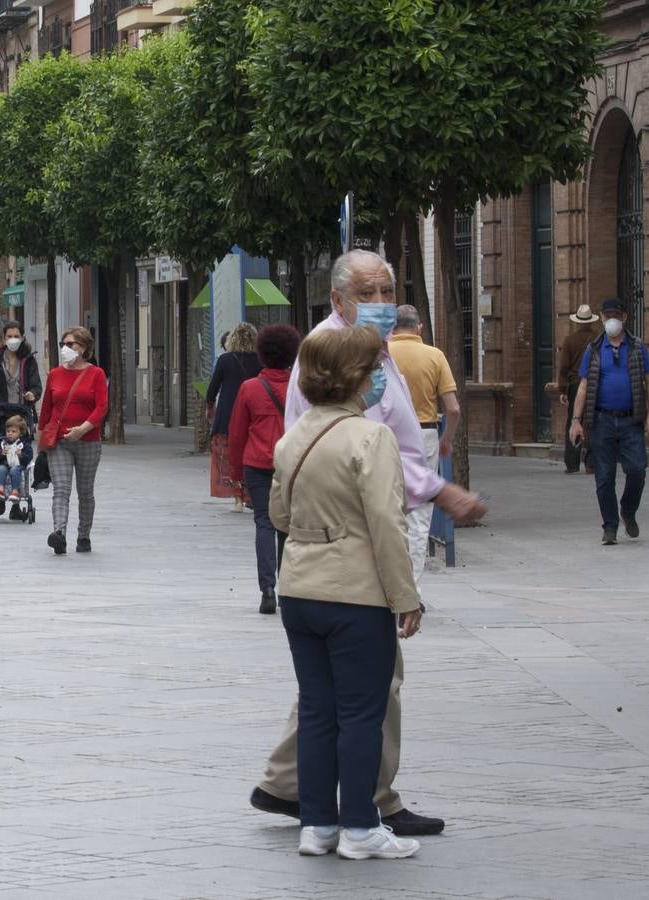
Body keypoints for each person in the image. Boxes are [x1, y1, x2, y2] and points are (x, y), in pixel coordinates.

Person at [251, 249, 486, 838]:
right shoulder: (331, 360)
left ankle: (289, 787)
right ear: (338, 299)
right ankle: (368, 811)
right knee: (373, 681)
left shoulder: (372, 355)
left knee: (328, 687)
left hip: (310, 569)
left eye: (388, 290)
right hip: (355, 552)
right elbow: (376, 477)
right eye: (370, 292)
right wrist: (436, 500)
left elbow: (281, 497)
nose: (382, 303)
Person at [270, 325, 423, 860]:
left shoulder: (293, 437)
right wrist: (405, 596)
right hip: (354, 593)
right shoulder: (369, 437)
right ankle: (359, 826)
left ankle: (318, 825)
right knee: (362, 711)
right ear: (356, 377)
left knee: (317, 707)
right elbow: (387, 522)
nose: (381, 378)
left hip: (298, 589)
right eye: (375, 368)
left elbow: (278, 514)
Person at [568, 297, 649, 545]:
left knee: (637, 469)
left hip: (631, 420)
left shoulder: (638, 347)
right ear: (602, 318)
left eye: (616, 316)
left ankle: (628, 511)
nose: (612, 321)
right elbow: (584, 386)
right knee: (604, 477)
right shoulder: (594, 349)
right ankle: (610, 527)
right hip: (601, 420)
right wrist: (576, 421)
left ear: (625, 318)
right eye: (607, 317)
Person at [226, 324, 302, 615]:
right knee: (289, 526)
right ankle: (289, 588)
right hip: (292, 465)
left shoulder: (250, 389)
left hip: (257, 463)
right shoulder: (300, 387)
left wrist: (235, 471)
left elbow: (237, 433)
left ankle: (266, 588)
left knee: (264, 523)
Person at [385, 304, 461, 563]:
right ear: (419, 328)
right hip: (424, 434)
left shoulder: (382, 354)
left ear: (392, 327)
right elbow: (452, 408)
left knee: (387, 506)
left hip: (386, 435)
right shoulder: (435, 356)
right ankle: (412, 591)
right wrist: (446, 440)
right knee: (420, 512)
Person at [39, 326, 108, 555]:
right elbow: (46, 409)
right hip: (59, 441)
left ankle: (84, 535)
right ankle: (59, 534)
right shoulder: (55, 374)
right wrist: (41, 440)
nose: (66, 349)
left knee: (85, 491)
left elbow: (101, 407)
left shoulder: (96, 374)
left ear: (85, 348)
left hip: (88, 440)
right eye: (63, 344)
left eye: (71, 345)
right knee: (61, 489)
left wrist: (84, 428)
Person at [205, 323, 261, 512]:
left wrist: (209, 406)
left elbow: (213, 387)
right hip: (253, 412)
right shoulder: (260, 360)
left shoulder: (225, 360)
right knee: (251, 454)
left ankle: (237, 497)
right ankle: (251, 494)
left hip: (229, 411)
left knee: (232, 455)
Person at [558, 304, 599, 475]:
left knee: (573, 422)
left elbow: (564, 368)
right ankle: (591, 464)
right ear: (591, 321)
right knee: (593, 423)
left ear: (577, 322)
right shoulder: (598, 338)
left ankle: (572, 463)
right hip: (596, 384)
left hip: (575, 385)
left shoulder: (569, 340)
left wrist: (562, 390)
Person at [0, 320, 42, 410]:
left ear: (22, 338)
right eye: (9, 336)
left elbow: (36, 387)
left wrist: (32, 394)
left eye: (16, 336)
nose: (13, 339)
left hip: (22, 414)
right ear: (4, 338)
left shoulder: (29, 361)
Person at [0, 414, 34, 502]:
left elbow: (29, 457)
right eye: (8, 431)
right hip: (5, 464)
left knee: (14, 470)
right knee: (0, 469)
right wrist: (1, 453)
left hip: (18, 465)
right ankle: (0, 489)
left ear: (20, 433)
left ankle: (15, 491)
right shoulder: (2, 442)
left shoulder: (24, 444)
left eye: (13, 431)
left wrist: (21, 455)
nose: (10, 433)